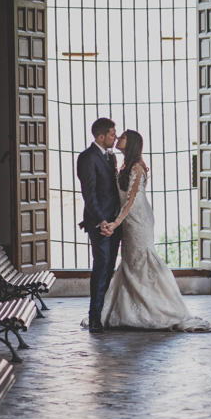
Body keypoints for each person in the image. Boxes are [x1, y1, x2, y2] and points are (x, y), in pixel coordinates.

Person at [95, 129, 211, 332]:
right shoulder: (122, 164)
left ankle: (158, 308)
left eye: (122, 137)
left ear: (131, 142)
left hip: (138, 216)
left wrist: (115, 223)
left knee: (143, 257)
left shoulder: (137, 167)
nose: (117, 139)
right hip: (126, 218)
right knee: (130, 259)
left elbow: (131, 200)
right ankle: (130, 309)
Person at [76, 117, 122, 334]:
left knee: (109, 267)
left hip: (115, 222)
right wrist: (101, 221)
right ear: (101, 136)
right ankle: (95, 318)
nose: (116, 137)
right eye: (113, 134)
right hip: (100, 223)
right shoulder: (87, 158)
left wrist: (115, 221)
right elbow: (89, 193)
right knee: (101, 268)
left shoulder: (110, 157)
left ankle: (103, 313)